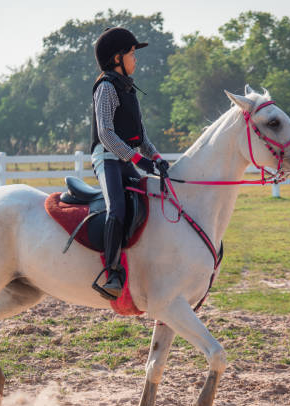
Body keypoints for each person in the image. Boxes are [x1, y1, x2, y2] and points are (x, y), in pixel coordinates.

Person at [90, 27, 169, 299]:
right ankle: (111, 273)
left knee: (152, 200)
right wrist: (136, 159)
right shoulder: (106, 87)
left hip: (125, 158)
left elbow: (141, 135)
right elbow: (106, 134)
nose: (136, 59)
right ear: (116, 59)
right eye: (132, 53)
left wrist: (156, 157)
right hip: (107, 157)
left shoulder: (128, 88)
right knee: (118, 209)